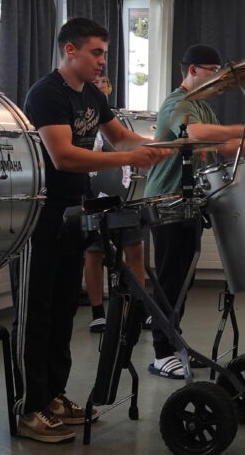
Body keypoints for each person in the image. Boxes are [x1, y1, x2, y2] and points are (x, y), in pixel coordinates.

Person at [12, 17, 170, 443]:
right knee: (36, 314)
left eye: (104, 53)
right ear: (70, 50)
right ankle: (28, 409)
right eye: (96, 53)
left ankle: (53, 397)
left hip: (72, 215)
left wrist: (160, 146)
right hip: (40, 215)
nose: (102, 61)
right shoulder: (47, 93)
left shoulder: (91, 95)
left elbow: (119, 137)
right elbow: (63, 157)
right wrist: (129, 159)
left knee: (64, 310)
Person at [143, 44, 245, 379]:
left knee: (183, 280)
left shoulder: (203, 107)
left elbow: (228, 147)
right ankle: (162, 354)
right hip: (166, 200)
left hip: (189, 202)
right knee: (170, 279)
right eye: (212, 71)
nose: (219, 78)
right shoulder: (177, 102)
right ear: (192, 70)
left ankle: (174, 345)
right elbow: (196, 134)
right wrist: (242, 128)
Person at [83, 73, 147, 333]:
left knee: (135, 249)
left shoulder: (117, 121)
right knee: (94, 252)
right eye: (95, 82)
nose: (100, 85)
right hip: (92, 196)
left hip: (123, 196)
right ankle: (98, 312)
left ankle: (139, 307)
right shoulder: (82, 120)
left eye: (104, 82)